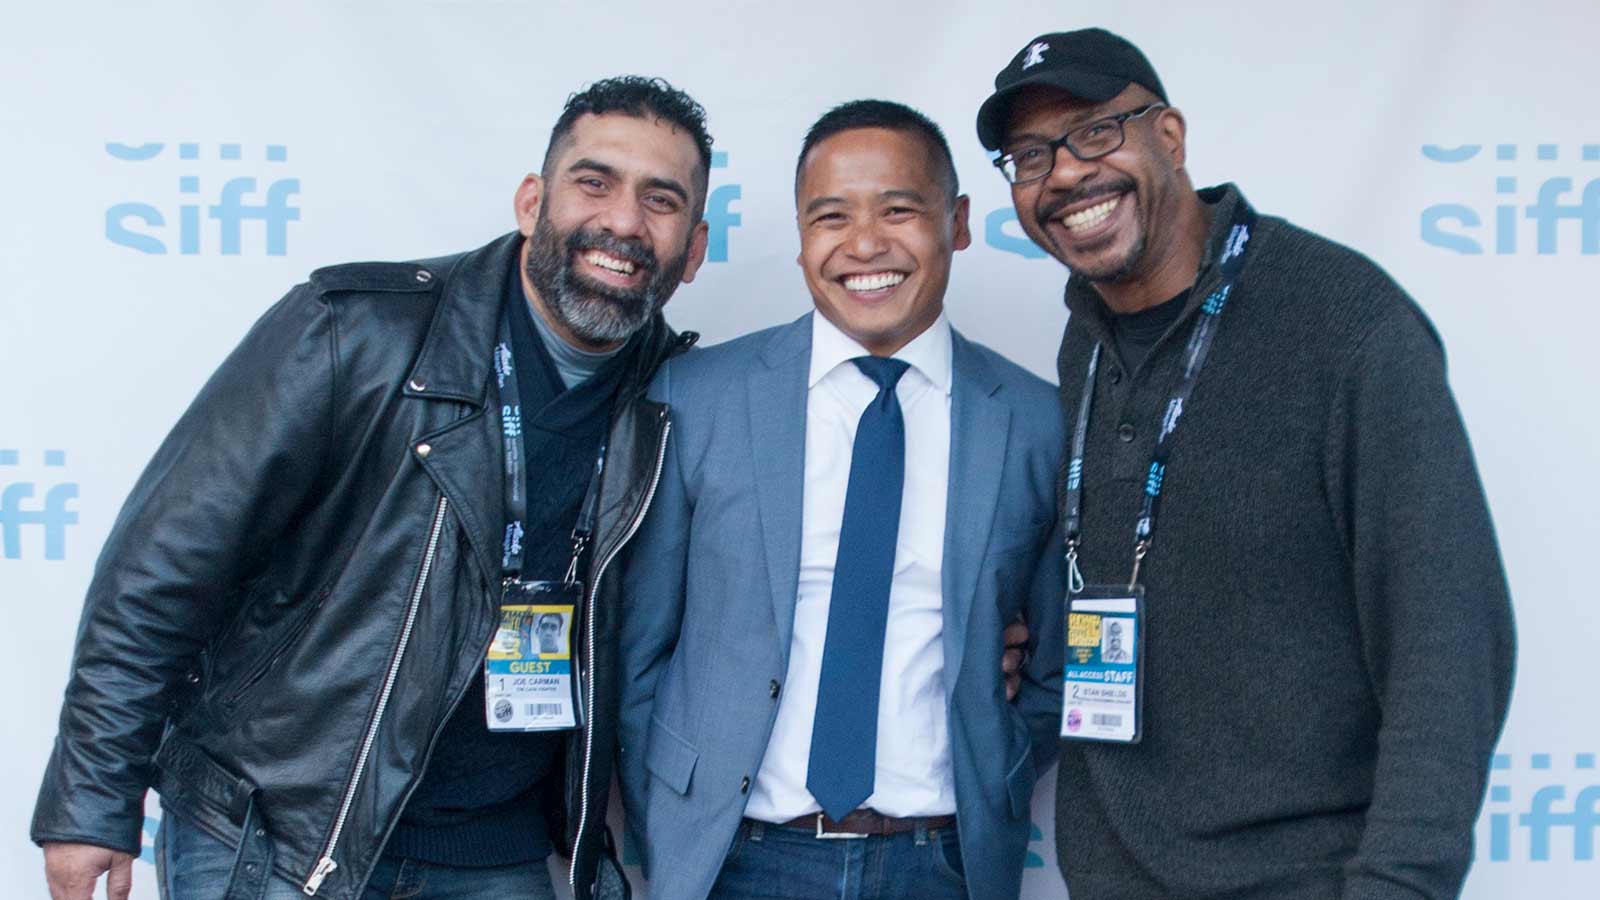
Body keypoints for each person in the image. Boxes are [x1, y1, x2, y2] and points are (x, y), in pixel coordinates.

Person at [32, 75, 713, 900]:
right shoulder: (354, 330)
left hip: (495, 858)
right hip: (278, 832)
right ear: (533, 201)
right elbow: (161, 567)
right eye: (593, 183)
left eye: (661, 200)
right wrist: (92, 803)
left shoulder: (676, 402)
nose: (623, 222)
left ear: (696, 247)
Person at [975, 28, 1516, 900]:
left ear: (1171, 137)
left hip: (1308, 876)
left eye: (1095, 132)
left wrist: (1399, 885)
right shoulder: (1088, 341)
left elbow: (1447, 639)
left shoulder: (1346, 323)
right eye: (1030, 155)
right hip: (1114, 876)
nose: (1066, 173)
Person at [619, 100, 1065, 900]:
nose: (865, 245)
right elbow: (639, 648)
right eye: (831, 217)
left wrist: (989, 748)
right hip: (734, 861)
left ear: (957, 222)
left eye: (899, 210)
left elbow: (1061, 663)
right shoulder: (695, 398)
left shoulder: (1034, 421)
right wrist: (676, 819)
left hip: (941, 863)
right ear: (800, 238)